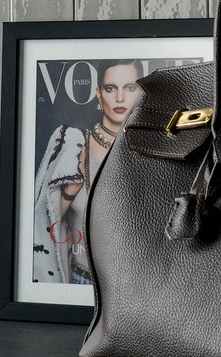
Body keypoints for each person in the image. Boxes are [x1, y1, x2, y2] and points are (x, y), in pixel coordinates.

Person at [32, 59, 143, 285]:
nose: (120, 98)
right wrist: (70, 189)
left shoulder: (153, 148)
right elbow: (44, 222)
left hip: (138, 285)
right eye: (110, 88)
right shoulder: (72, 145)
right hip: (83, 282)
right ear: (98, 93)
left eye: (130, 88)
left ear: (141, 92)